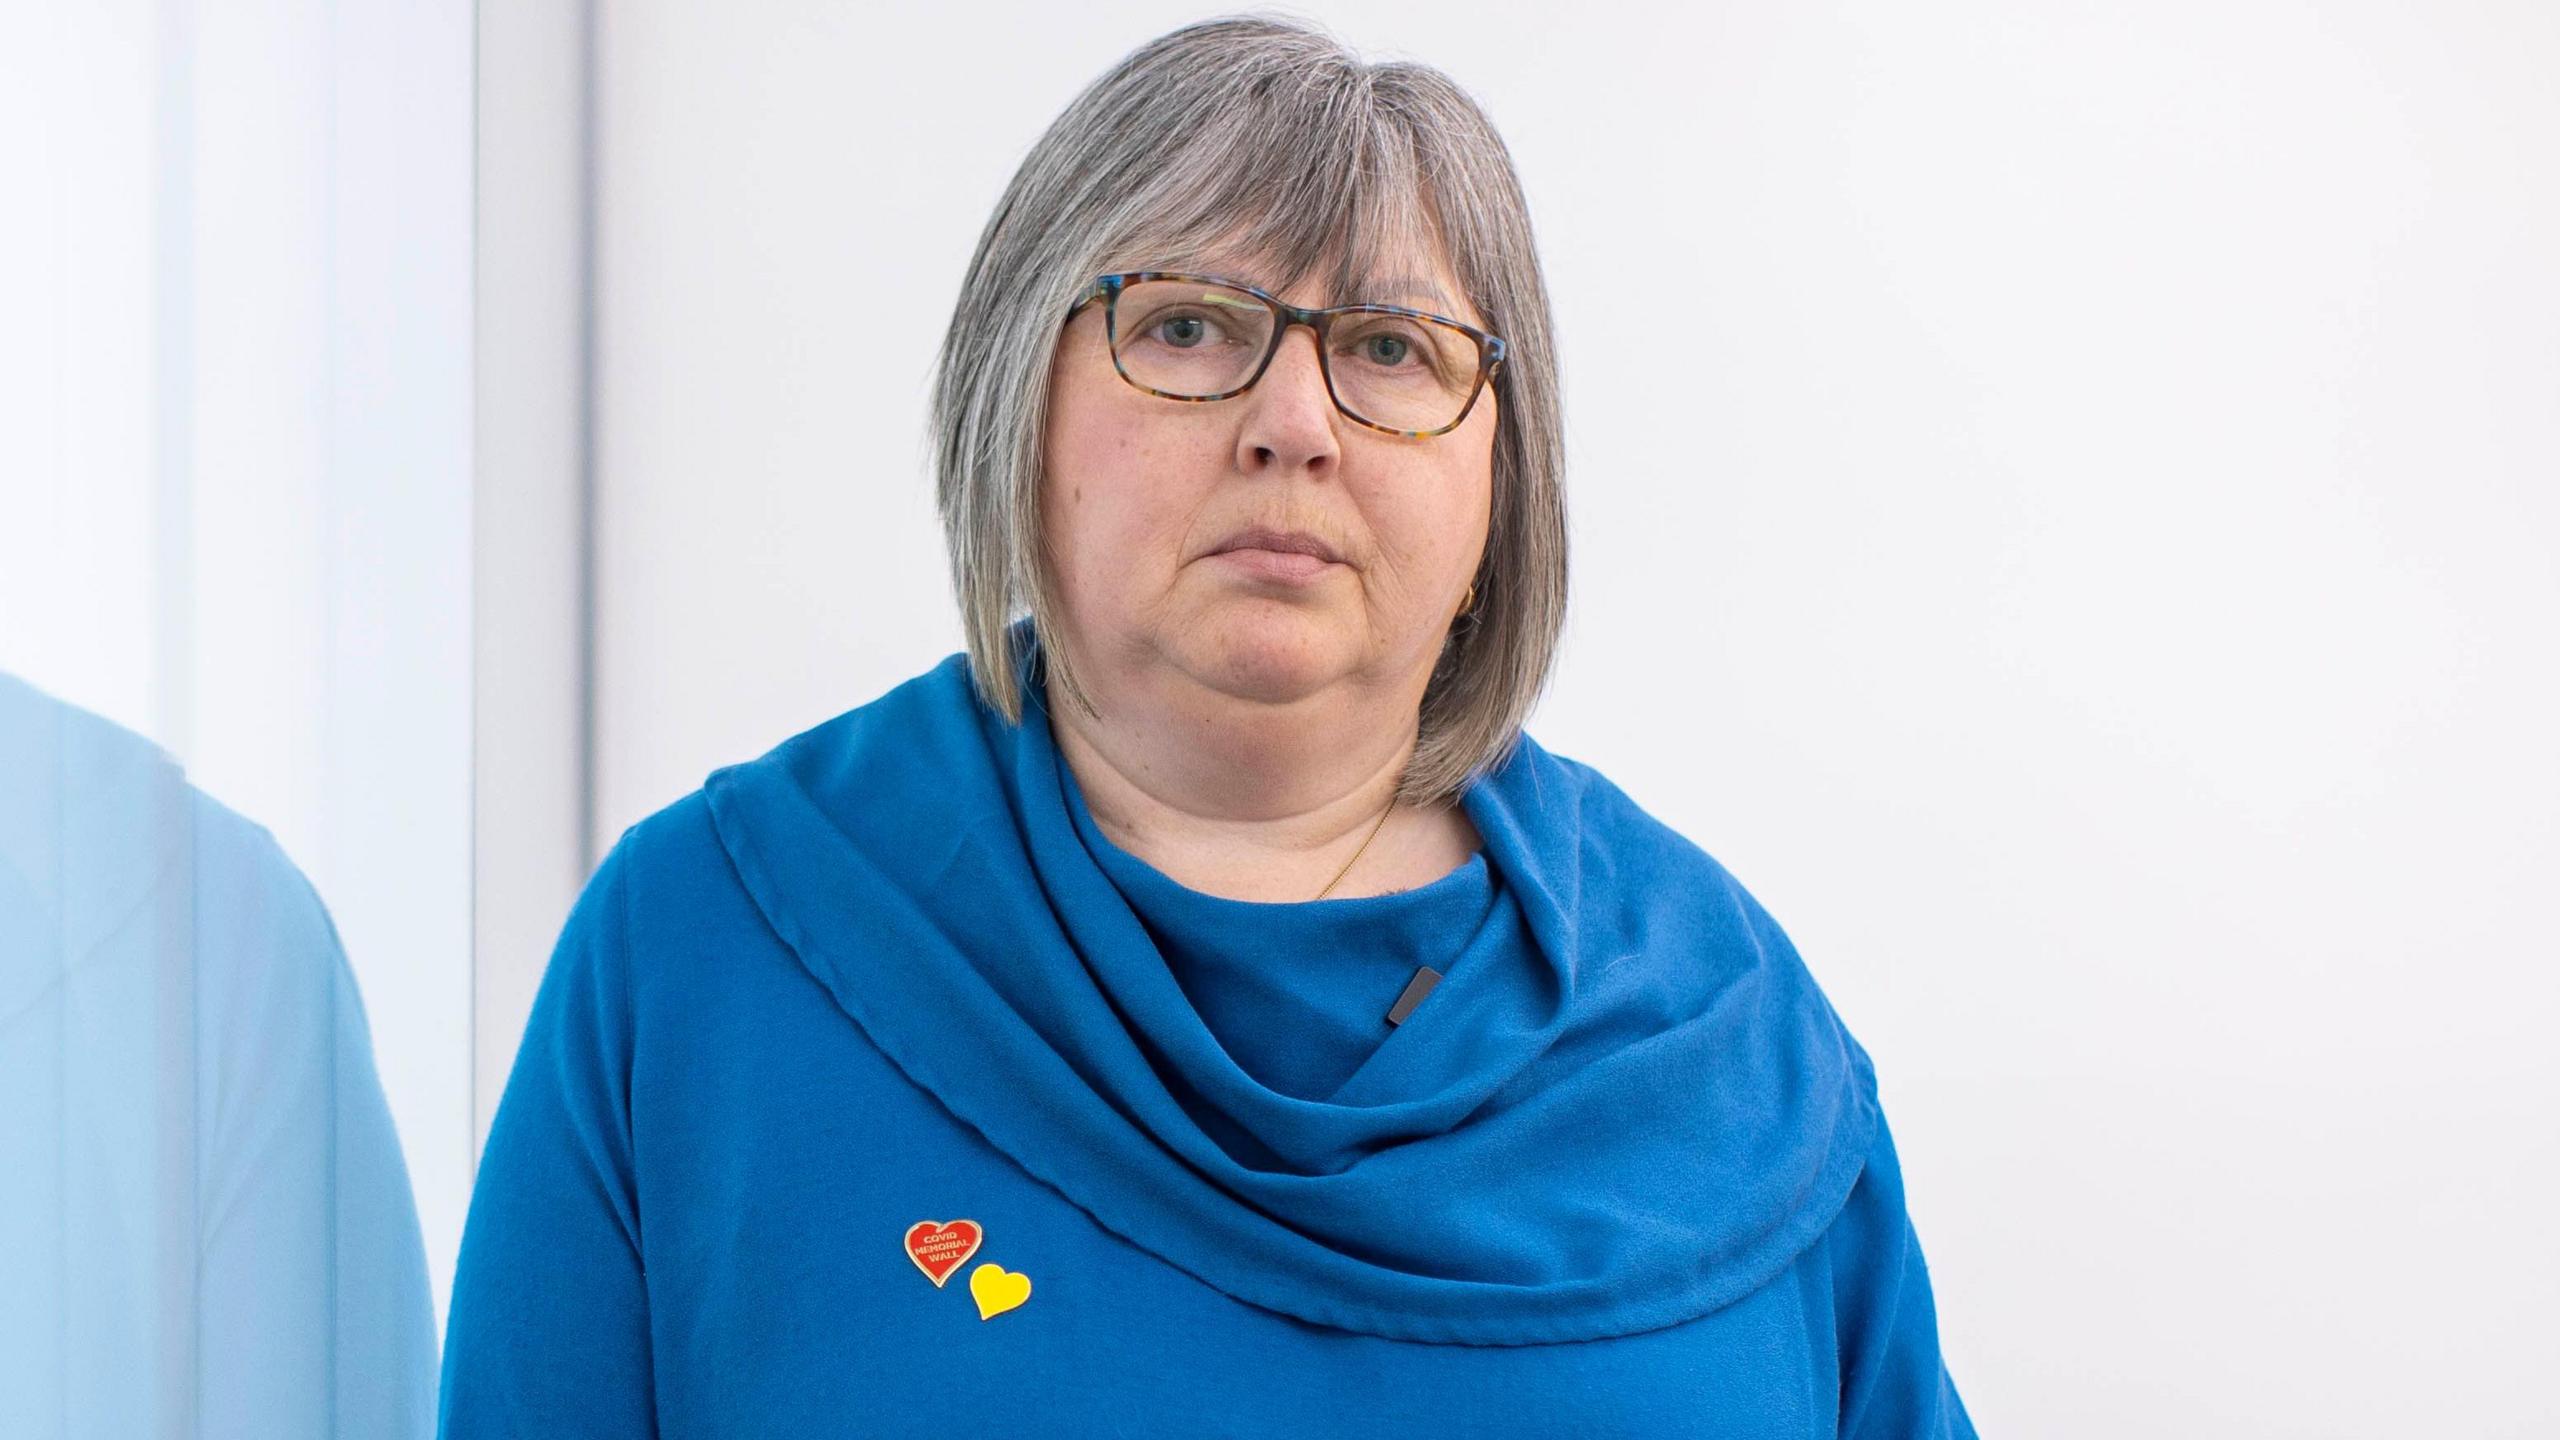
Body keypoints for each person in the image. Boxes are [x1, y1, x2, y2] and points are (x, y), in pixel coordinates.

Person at [439, 15, 1977, 1436]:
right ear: (1012, 405)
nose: (1292, 423)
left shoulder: (1733, 1036)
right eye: (1183, 326)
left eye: (1391, 349)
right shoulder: (703, 956)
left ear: (1503, 482)